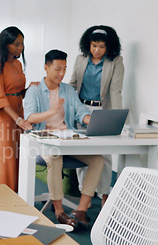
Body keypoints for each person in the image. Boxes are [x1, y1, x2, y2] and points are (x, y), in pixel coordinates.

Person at [24, 49, 104, 230]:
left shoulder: (68, 90)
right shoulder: (34, 90)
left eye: (64, 69)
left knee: (97, 159)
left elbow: (80, 113)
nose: (61, 74)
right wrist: (52, 111)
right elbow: (29, 117)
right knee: (55, 157)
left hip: (67, 141)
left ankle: (81, 210)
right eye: (57, 69)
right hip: (43, 143)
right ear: (46, 68)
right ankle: (60, 212)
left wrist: (93, 120)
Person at [70, 25, 124, 207]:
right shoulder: (81, 59)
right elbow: (73, 84)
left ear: (109, 46)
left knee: (105, 155)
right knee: (81, 152)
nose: (97, 50)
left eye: (102, 46)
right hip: (81, 109)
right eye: (94, 45)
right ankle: (85, 192)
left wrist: (116, 118)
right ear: (88, 44)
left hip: (103, 112)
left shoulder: (115, 61)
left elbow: (115, 91)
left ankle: (104, 194)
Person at [0, 26, 33, 192]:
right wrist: (17, 119)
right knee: (6, 161)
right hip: (2, 118)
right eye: (16, 44)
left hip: (18, 115)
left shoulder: (18, 64)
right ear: (6, 45)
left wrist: (29, 90)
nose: (20, 48)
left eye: (22, 44)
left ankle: (17, 197)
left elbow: (16, 93)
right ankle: (3, 198)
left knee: (19, 159)